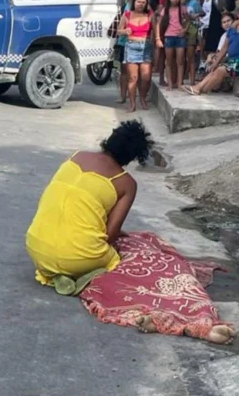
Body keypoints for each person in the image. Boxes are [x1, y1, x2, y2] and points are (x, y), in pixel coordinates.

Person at [25, 120, 154, 289]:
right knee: (117, 257)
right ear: (132, 157)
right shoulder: (127, 183)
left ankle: (60, 270)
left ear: (110, 139)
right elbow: (111, 234)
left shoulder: (75, 156)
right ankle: (81, 272)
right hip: (79, 258)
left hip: (36, 248)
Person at [188, 3, 239, 95]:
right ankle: (200, 89)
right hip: (232, 61)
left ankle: (198, 88)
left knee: (221, 70)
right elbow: (225, 47)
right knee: (215, 69)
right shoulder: (232, 29)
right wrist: (216, 62)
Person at [117, 0, 153, 112]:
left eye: (143, 2)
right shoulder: (127, 15)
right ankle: (132, 103)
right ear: (134, 2)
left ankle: (142, 97)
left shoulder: (149, 15)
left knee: (146, 77)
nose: (141, 4)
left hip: (145, 47)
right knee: (133, 77)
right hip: (131, 46)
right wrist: (125, 31)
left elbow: (156, 27)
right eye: (139, 2)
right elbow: (118, 31)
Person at [112, 0, 140, 105]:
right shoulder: (125, 7)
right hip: (124, 42)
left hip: (137, 43)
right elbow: (118, 27)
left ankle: (132, 95)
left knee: (134, 72)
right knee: (123, 72)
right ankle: (123, 95)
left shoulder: (143, 8)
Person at [155, 0, 187, 91]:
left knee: (180, 61)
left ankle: (179, 84)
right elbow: (159, 23)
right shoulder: (165, 9)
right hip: (168, 36)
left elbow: (189, 21)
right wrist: (158, 37)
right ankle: (169, 83)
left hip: (179, 37)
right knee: (168, 61)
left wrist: (184, 30)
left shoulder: (182, 9)